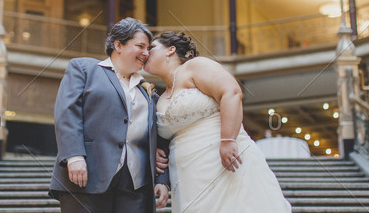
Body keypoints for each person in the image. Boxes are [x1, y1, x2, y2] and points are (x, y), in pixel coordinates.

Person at [145, 31, 292, 213]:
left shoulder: (194, 67)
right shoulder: (160, 98)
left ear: (170, 50)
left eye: (151, 48)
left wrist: (228, 140)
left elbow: (231, 92)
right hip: (188, 176)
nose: (145, 53)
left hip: (223, 160)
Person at [50, 18, 169, 213]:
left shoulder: (147, 89)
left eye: (148, 48)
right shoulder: (84, 69)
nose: (146, 53)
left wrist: (162, 180)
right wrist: (74, 156)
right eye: (140, 46)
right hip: (88, 174)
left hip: (137, 184)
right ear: (118, 45)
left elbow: (160, 135)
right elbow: (67, 113)